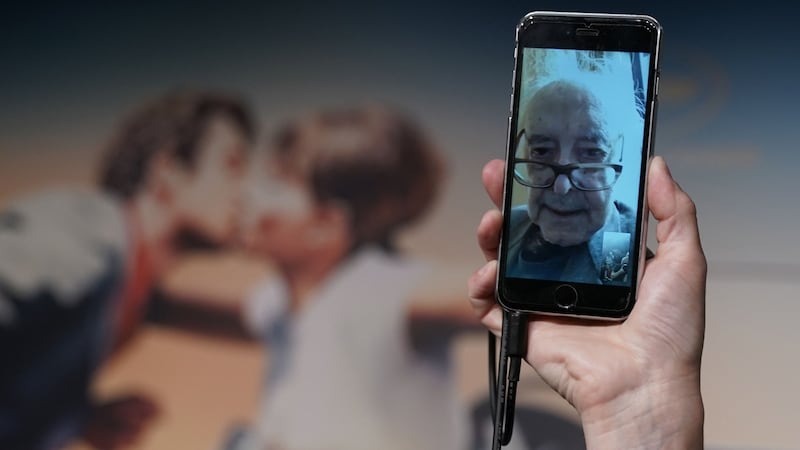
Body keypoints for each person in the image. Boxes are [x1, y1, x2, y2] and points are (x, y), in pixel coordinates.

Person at [0, 91, 254, 450]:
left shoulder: (132, 285)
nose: (245, 192)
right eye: (232, 166)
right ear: (167, 171)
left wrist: (77, 417)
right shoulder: (85, 239)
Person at [234, 106, 471, 450]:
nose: (247, 195)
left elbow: (490, 291)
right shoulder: (276, 303)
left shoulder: (380, 290)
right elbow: (171, 305)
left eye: (274, 185)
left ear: (326, 224)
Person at [468, 155, 706, 448]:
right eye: (542, 155)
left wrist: (641, 400)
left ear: (615, 171)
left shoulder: (620, 234)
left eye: (591, 159)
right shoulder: (517, 226)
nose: (562, 187)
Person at [506, 77, 640, 284]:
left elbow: (616, 280)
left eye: (591, 152)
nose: (561, 187)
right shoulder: (508, 226)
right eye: (541, 151)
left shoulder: (624, 245)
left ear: (617, 162)